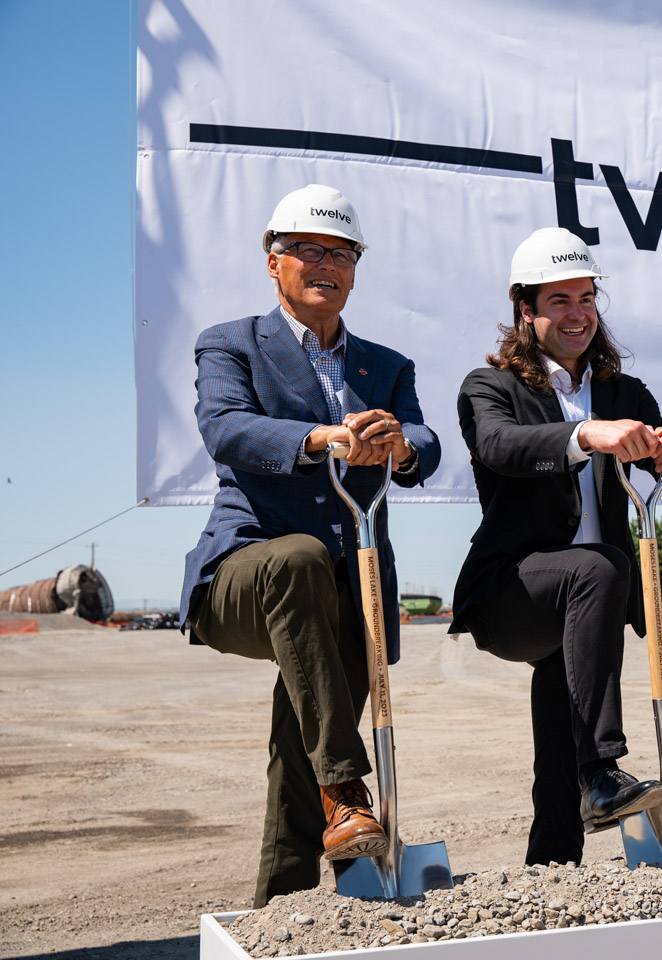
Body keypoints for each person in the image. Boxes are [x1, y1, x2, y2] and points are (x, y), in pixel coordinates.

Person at [180, 184, 441, 907]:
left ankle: (289, 913)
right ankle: (347, 784)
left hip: (351, 591)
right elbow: (225, 427)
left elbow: (424, 438)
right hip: (247, 573)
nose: (325, 264)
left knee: (300, 755)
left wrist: (401, 447)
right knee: (295, 556)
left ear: (356, 268)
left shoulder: (386, 366)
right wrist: (318, 437)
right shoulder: (230, 344)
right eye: (308, 250)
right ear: (273, 261)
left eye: (341, 253)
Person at [450, 227, 662, 866]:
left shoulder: (625, 393)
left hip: (587, 602)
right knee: (598, 567)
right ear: (525, 313)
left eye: (586, 298)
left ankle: (553, 866)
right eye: (558, 301)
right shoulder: (489, 387)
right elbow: (499, 447)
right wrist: (586, 433)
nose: (577, 314)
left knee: (562, 719)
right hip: (514, 589)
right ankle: (604, 769)